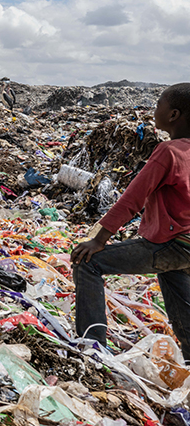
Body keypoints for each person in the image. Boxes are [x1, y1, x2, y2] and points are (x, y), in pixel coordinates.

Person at [72, 83, 190, 361]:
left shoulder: (168, 151)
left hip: (170, 243)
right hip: (186, 246)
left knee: (87, 262)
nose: (154, 109)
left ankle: (92, 349)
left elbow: (133, 198)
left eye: (158, 103)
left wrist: (99, 240)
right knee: (180, 301)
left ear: (173, 115)